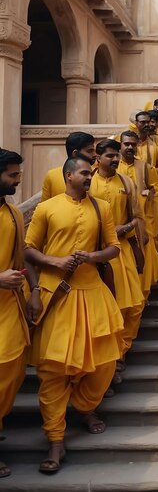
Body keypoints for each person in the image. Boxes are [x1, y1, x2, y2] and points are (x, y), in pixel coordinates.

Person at [25, 157, 123, 474]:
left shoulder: (102, 208)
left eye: (91, 173)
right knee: (53, 370)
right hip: (58, 293)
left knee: (105, 363)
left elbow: (114, 247)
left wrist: (92, 256)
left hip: (93, 292)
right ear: (68, 175)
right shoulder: (46, 208)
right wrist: (52, 266)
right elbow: (28, 250)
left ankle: (84, 406)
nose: (89, 177)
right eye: (84, 172)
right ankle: (55, 439)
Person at [0, 148, 41, 479]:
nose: (18, 180)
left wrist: (34, 293)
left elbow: (22, 255)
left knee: (13, 370)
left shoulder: (14, 212)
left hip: (10, 306)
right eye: (12, 175)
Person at [90, 139, 145, 377]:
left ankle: (121, 351)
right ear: (98, 158)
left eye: (116, 156)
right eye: (110, 156)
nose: (115, 160)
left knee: (132, 305)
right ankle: (104, 360)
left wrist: (126, 229)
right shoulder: (88, 181)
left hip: (121, 250)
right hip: (94, 253)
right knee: (102, 308)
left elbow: (137, 217)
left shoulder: (126, 182)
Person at [118, 131, 158, 296]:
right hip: (120, 224)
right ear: (120, 145)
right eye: (126, 144)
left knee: (143, 260)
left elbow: (156, 188)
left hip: (143, 220)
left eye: (133, 144)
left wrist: (147, 193)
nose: (130, 147)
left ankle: (143, 297)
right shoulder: (114, 167)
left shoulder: (145, 167)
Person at [40, 131, 96, 201]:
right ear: (75, 154)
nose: (94, 155)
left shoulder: (98, 174)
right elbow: (44, 207)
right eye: (90, 151)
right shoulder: (52, 176)